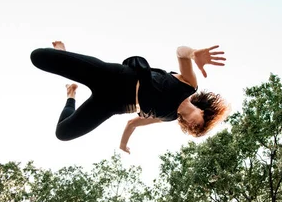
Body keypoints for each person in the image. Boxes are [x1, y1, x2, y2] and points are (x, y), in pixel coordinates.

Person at [30, 41, 230, 154]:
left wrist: (123, 144)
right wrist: (194, 54)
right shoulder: (189, 86)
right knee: (38, 57)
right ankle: (63, 55)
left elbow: (132, 124)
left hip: (111, 105)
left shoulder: (168, 117)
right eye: (200, 125)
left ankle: (71, 94)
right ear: (204, 111)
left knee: (63, 133)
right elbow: (181, 52)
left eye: (195, 130)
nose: (194, 126)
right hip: (116, 77)